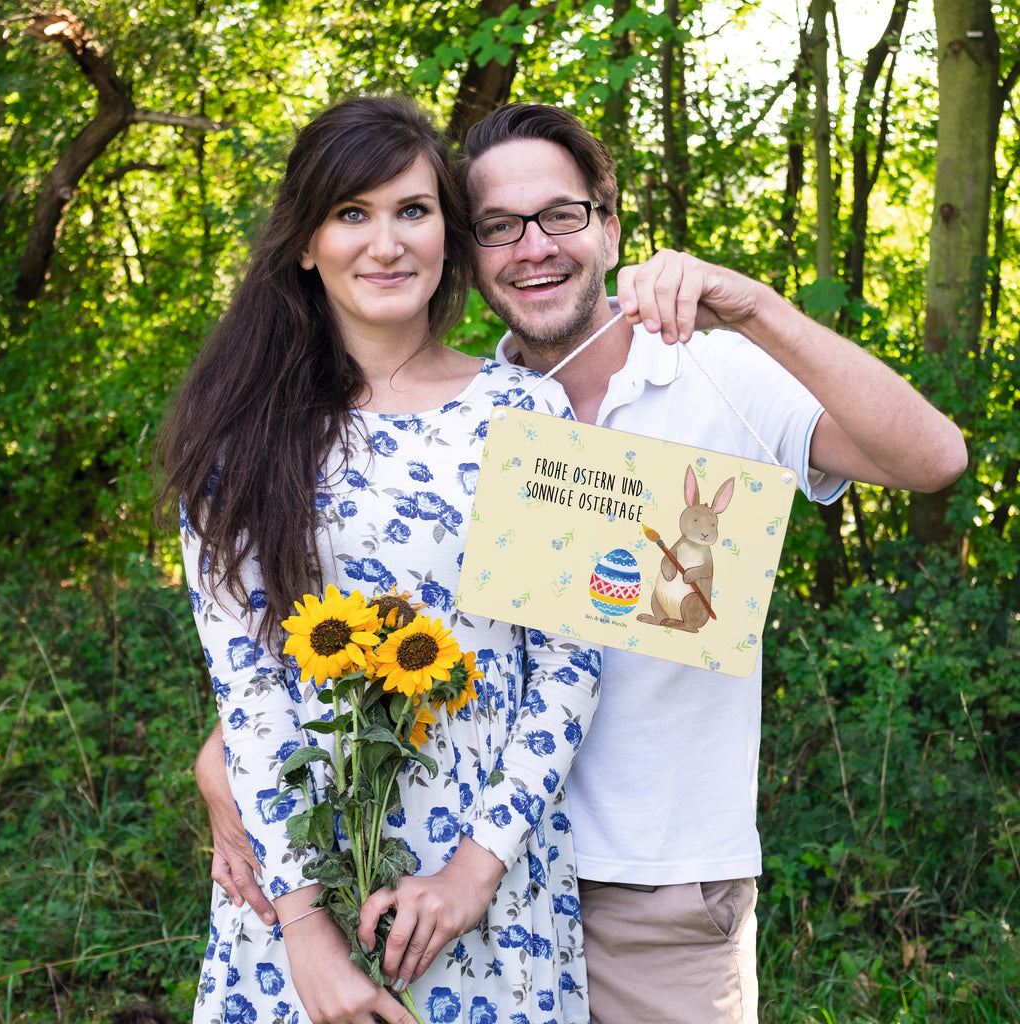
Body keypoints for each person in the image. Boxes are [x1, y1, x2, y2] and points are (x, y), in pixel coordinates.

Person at [198, 102, 968, 1024]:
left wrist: (755, 306)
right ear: (470, 250)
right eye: (498, 226)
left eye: (561, 215)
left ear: (608, 225)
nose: (533, 247)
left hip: (649, 887)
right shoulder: (460, 414)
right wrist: (230, 770)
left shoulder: (709, 372)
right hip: (427, 876)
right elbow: (331, 633)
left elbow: (934, 461)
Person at [159, 96, 604, 1024]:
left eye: (413, 210)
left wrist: (474, 874)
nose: (387, 243)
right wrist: (307, 937)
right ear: (305, 243)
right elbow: (249, 692)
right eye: (351, 214)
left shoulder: (529, 414)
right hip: (298, 886)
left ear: (448, 230)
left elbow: (569, 663)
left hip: (488, 887)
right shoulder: (240, 437)